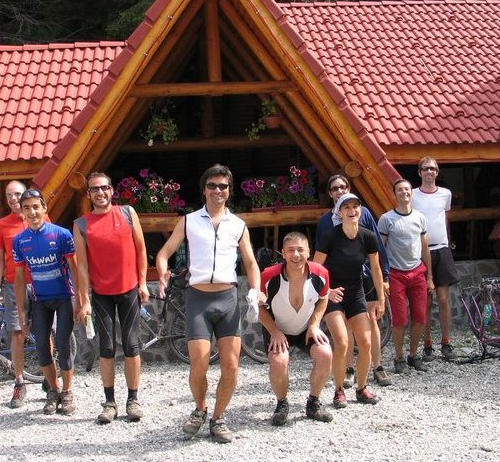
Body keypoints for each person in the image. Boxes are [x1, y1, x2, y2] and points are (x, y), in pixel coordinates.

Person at [156, 164, 262, 443]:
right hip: (198, 299)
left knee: (231, 366)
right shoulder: (189, 221)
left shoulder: (238, 225)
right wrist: (163, 274)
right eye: (212, 185)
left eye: (223, 186)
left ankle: (218, 418)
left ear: (229, 190)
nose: (218, 190)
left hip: (228, 298)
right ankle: (200, 409)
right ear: (204, 190)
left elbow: (251, 262)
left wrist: (256, 290)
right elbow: (164, 253)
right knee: (199, 365)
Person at [74, 172, 149, 424]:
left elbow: (141, 249)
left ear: (111, 190)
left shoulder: (127, 213)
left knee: (131, 345)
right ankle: (109, 403)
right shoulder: (81, 225)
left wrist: (142, 283)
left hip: (129, 289)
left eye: (104, 187)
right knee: (106, 348)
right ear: (88, 194)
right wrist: (84, 299)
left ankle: (133, 400)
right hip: (101, 294)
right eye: (94, 189)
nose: (100, 193)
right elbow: (82, 266)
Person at [315, 174, 392, 388]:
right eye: (335, 188)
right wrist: (324, 290)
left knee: (370, 325)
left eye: (343, 186)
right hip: (336, 284)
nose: (339, 190)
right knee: (343, 334)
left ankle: (376, 368)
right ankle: (347, 373)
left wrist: (384, 280)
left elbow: (377, 256)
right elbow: (317, 263)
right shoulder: (326, 225)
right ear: (331, 195)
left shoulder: (364, 216)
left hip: (362, 278)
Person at [13, 189, 78, 415]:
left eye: (35, 207)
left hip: (64, 297)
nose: (32, 212)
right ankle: (53, 390)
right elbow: (19, 278)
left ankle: (67, 392)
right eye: (27, 208)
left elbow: (75, 268)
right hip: (40, 300)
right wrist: (21, 310)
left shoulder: (61, 234)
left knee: (62, 344)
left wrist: (81, 299)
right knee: (41, 347)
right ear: (22, 212)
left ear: (44, 208)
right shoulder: (19, 241)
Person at [260, 231, 333, 425]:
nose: (296, 255)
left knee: (325, 355)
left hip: (306, 328)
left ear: (309, 252)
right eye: (291, 250)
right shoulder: (269, 276)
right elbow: (258, 308)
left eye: (300, 250)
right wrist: (274, 332)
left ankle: (313, 402)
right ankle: (282, 404)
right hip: (278, 329)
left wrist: (315, 324)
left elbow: (324, 298)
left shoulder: (321, 273)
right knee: (279, 362)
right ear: (283, 253)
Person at [0, 180, 50, 408]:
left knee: (45, 332)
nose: (13, 198)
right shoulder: (2, 225)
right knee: (16, 332)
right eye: (9, 195)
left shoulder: (41, 217)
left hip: (41, 282)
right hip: (12, 284)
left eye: (17, 194)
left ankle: (49, 379)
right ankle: (19, 382)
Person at [378, 179, 434, 373]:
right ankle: (399, 357)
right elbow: (380, 250)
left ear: (412, 192)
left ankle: (413, 355)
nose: (404, 192)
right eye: (400, 190)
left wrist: (430, 277)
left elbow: (425, 248)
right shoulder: (386, 219)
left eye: (407, 189)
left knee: (420, 317)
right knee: (400, 319)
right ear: (395, 194)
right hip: (395, 274)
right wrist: (383, 278)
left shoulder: (420, 218)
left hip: (417, 272)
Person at [412, 157, 460, 362]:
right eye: (425, 168)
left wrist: (449, 240)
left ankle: (446, 343)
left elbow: (445, 218)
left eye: (432, 168)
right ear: (419, 172)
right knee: (425, 301)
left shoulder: (445, 194)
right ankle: (427, 344)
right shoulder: (412, 194)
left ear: (437, 172)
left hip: (441, 248)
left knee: (443, 299)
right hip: (420, 251)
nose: (429, 172)